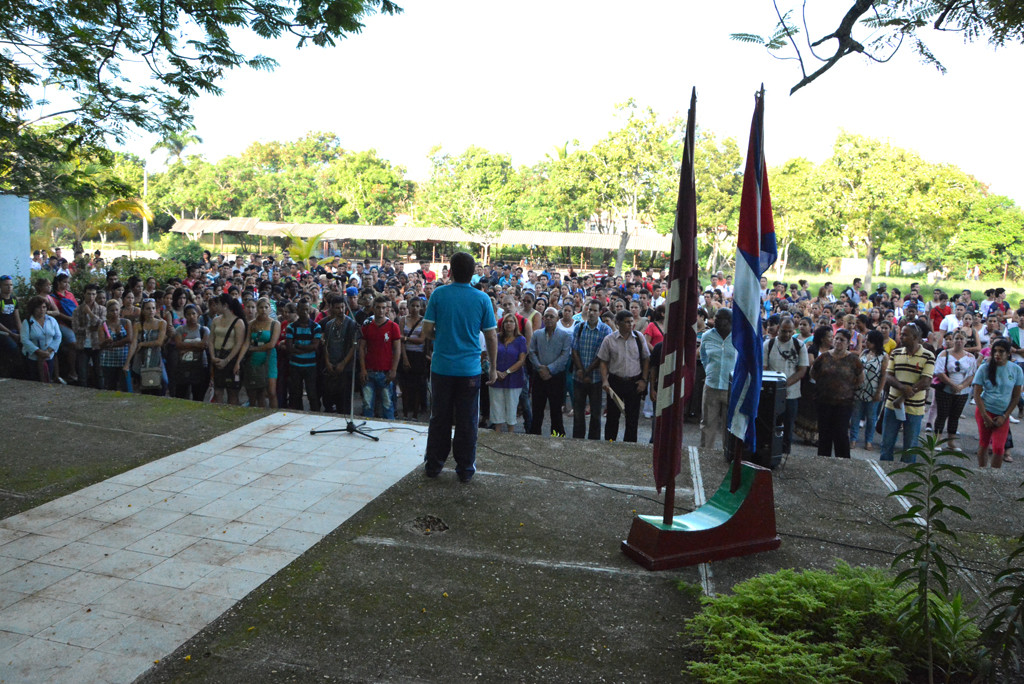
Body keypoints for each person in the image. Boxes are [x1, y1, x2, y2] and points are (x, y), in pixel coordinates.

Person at [422, 251, 497, 483]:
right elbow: (491, 336)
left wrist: (442, 335)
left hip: (442, 368)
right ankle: (465, 469)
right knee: (467, 421)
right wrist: (493, 368)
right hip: (469, 371)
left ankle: (434, 465)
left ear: (450, 271)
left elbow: (426, 331)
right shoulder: (482, 299)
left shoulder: (438, 294)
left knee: (439, 418)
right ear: (474, 272)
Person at [879, 322, 935, 463]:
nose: (901, 337)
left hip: (915, 408)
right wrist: (903, 388)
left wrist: (902, 397)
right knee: (887, 444)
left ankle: (907, 477)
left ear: (915, 337)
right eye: (901, 334)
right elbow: (889, 376)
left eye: (905, 334)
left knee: (910, 447)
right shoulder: (896, 353)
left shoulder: (928, 356)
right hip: (892, 405)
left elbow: (926, 381)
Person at [598, 310, 650, 443]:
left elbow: (646, 359)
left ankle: (630, 446)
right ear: (618, 323)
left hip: (634, 383)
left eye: (632, 321)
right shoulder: (609, 340)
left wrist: (644, 380)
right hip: (615, 382)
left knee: (632, 419)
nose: (630, 324)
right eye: (627, 322)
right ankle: (610, 444)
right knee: (612, 418)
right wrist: (605, 380)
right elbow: (603, 361)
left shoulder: (639, 338)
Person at [810, 329, 864, 458]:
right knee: (824, 434)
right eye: (837, 339)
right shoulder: (823, 357)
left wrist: (846, 389)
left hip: (844, 404)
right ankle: (823, 460)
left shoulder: (853, 360)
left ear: (848, 343)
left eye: (842, 340)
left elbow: (860, 380)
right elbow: (813, 373)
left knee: (840, 433)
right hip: (824, 402)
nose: (838, 342)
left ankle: (843, 461)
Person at [974, 339, 1024, 468]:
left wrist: (1005, 416)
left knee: (998, 448)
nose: (997, 354)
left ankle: (994, 476)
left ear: (1008, 353)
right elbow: (976, 394)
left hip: (1002, 413)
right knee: (984, 444)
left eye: (1001, 351)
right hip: (985, 410)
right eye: (995, 351)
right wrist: (985, 416)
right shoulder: (984, 368)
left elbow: (1016, 396)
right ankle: (982, 473)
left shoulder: (1016, 370)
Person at [763, 317, 809, 457]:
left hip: (791, 395)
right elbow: (764, 368)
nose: (787, 335)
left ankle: (784, 454)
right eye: (784, 331)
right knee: (768, 426)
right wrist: (775, 386)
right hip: (771, 394)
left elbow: (802, 370)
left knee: (787, 428)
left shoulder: (799, 346)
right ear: (778, 330)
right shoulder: (768, 344)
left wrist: (784, 385)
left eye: (790, 332)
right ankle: (768, 453)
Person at [527, 306, 573, 436]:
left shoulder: (565, 335)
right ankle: (535, 435)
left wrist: (549, 369)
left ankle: (557, 436)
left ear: (557, 319)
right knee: (537, 409)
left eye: (551, 316)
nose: (548, 319)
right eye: (546, 316)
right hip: (539, 376)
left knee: (556, 410)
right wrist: (540, 368)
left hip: (556, 377)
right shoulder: (537, 334)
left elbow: (564, 357)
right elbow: (531, 353)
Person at [571, 300, 612, 440]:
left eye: (595, 310)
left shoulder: (606, 330)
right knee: (578, 411)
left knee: (595, 412)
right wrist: (581, 370)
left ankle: (594, 441)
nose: (591, 313)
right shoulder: (579, 327)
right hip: (579, 377)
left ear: (600, 312)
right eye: (589, 310)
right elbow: (574, 350)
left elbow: (603, 355)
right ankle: (578, 439)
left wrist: (587, 371)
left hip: (596, 378)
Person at [359, 295, 401, 419]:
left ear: (386, 309)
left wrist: (394, 370)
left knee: (388, 405)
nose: (381, 311)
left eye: (383, 308)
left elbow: (397, 349)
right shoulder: (366, 326)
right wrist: (362, 369)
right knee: (367, 405)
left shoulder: (393, 327)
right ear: (373, 308)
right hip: (369, 371)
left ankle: (390, 430)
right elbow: (361, 348)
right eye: (378, 308)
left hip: (386, 372)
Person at [933, 330, 976, 451]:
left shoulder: (970, 357)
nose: (959, 341)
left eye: (962, 339)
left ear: (966, 341)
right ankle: (937, 441)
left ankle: (951, 442)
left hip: (962, 391)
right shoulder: (944, 354)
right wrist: (952, 384)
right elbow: (939, 372)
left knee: (955, 416)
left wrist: (962, 386)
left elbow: (971, 374)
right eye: (956, 338)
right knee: (942, 415)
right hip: (945, 389)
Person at [699, 309, 735, 450]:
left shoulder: (738, 337)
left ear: (730, 321)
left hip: (731, 388)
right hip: (711, 385)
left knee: (730, 425)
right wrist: (710, 371)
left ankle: (728, 453)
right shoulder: (707, 336)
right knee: (707, 423)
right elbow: (704, 357)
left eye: (720, 318)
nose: (715, 320)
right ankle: (705, 453)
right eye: (715, 317)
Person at [850, 329, 888, 451]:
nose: (866, 343)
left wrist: (878, 392)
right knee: (855, 416)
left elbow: (883, 375)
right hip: (860, 389)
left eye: (869, 341)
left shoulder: (883, 356)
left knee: (871, 418)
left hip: (873, 390)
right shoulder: (864, 353)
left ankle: (869, 441)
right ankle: (853, 439)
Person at [491, 313, 528, 433]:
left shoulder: (521, 340)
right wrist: (495, 371)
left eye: (511, 321)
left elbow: (521, 360)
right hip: (496, 378)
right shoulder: (496, 338)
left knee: (511, 407)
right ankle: (497, 433)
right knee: (497, 406)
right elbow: (489, 356)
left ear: (515, 324)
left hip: (513, 379)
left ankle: (510, 435)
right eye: (506, 321)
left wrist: (506, 372)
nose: (508, 324)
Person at [321, 295, 358, 415]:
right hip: (331, 364)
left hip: (345, 366)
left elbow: (354, 346)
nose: (340, 310)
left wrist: (343, 363)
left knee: (344, 400)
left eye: (342, 307)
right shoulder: (328, 324)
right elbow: (325, 345)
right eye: (337, 308)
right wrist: (327, 362)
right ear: (331, 308)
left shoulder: (351, 323)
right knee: (329, 397)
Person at [209, 293, 248, 406]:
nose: (216, 307)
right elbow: (211, 340)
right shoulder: (216, 320)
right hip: (217, 355)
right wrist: (212, 357)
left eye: (218, 304)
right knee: (217, 391)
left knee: (232, 392)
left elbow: (239, 343)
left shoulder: (238, 322)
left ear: (225, 305)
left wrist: (227, 360)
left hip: (231, 357)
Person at [245, 297, 281, 409]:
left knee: (271, 391)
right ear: (257, 309)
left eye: (266, 307)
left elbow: (271, 344)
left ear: (270, 308)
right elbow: (246, 342)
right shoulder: (252, 324)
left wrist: (253, 348)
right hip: (254, 358)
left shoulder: (275, 324)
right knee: (258, 391)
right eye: (261, 307)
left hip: (269, 357)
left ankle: (274, 416)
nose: (264, 310)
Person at [398, 297, 428, 419]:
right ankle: (405, 412)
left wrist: (406, 338)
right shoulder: (402, 320)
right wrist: (404, 358)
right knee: (405, 386)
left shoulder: (424, 321)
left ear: (420, 307)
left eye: (417, 306)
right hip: (406, 353)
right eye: (413, 306)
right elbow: (400, 340)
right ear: (408, 307)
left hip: (419, 356)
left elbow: (421, 340)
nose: (415, 308)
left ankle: (415, 413)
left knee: (417, 386)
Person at [20, 295, 62, 382]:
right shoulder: (27, 322)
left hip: (49, 355)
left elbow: (58, 337)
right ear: (33, 309)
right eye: (38, 307)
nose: (42, 310)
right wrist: (38, 352)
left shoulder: (51, 320)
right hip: (33, 357)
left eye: (44, 307)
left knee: (48, 378)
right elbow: (24, 339)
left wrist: (49, 351)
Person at [173, 304, 209, 401]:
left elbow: (204, 345)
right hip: (183, 365)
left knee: (198, 394)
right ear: (185, 316)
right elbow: (178, 345)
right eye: (188, 314)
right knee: (181, 393)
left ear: (197, 315)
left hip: (200, 365)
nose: (191, 316)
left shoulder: (203, 330)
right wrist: (196, 345)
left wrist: (186, 347)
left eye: (194, 314)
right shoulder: (180, 329)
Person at [132, 297, 167, 395]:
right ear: (143, 310)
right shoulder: (138, 325)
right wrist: (127, 363)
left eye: (153, 308)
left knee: (163, 382)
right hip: (141, 358)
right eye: (148, 308)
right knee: (144, 384)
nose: (151, 311)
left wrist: (143, 344)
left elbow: (159, 342)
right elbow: (134, 343)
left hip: (156, 356)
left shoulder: (161, 323)